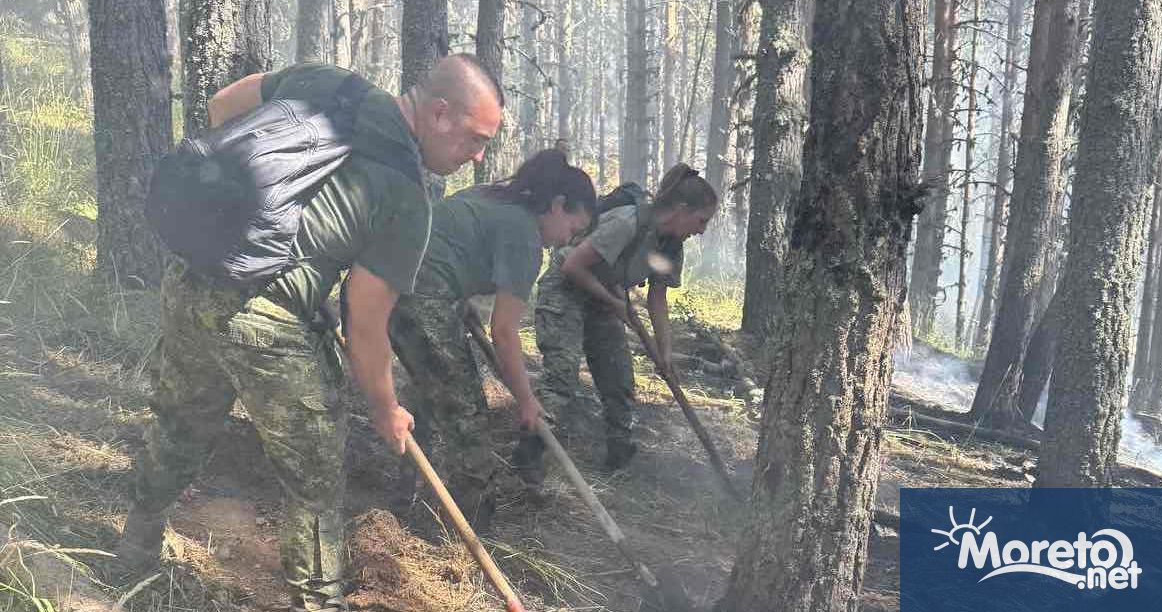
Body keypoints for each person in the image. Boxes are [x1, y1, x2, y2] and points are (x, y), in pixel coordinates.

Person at [116, 55, 502, 612]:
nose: (478, 156)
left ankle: (136, 542)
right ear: (439, 113)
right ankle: (318, 603)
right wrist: (386, 408)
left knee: (182, 422)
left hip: (192, 282)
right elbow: (365, 325)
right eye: (475, 139)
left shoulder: (329, 83)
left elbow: (221, 106)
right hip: (266, 328)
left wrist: (239, 222)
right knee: (315, 481)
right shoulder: (406, 199)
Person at [373, 148, 595, 529]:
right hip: (420, 293)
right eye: (572, 229)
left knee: (428, 398)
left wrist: (459, 299)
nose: (564, 242)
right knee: (468, 417)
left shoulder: (495, 197)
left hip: (388, 281)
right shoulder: (524, 235)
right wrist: (527, 401)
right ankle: (474, 527)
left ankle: (402, 505)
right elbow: (505, 334)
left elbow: (453, 245)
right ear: (558, 205)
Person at [515, 163, 717, 483]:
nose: (702, 230)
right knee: (562, 377)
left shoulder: (671, 246)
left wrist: (665, 352)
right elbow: (572, 266)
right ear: (681, 210)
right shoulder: (628, 222)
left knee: (619, 378)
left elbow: (657, 298)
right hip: (566, 289)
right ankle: (529, 456)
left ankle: (618, 457)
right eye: (701, 220)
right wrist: (613, 302)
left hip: (604, 296)